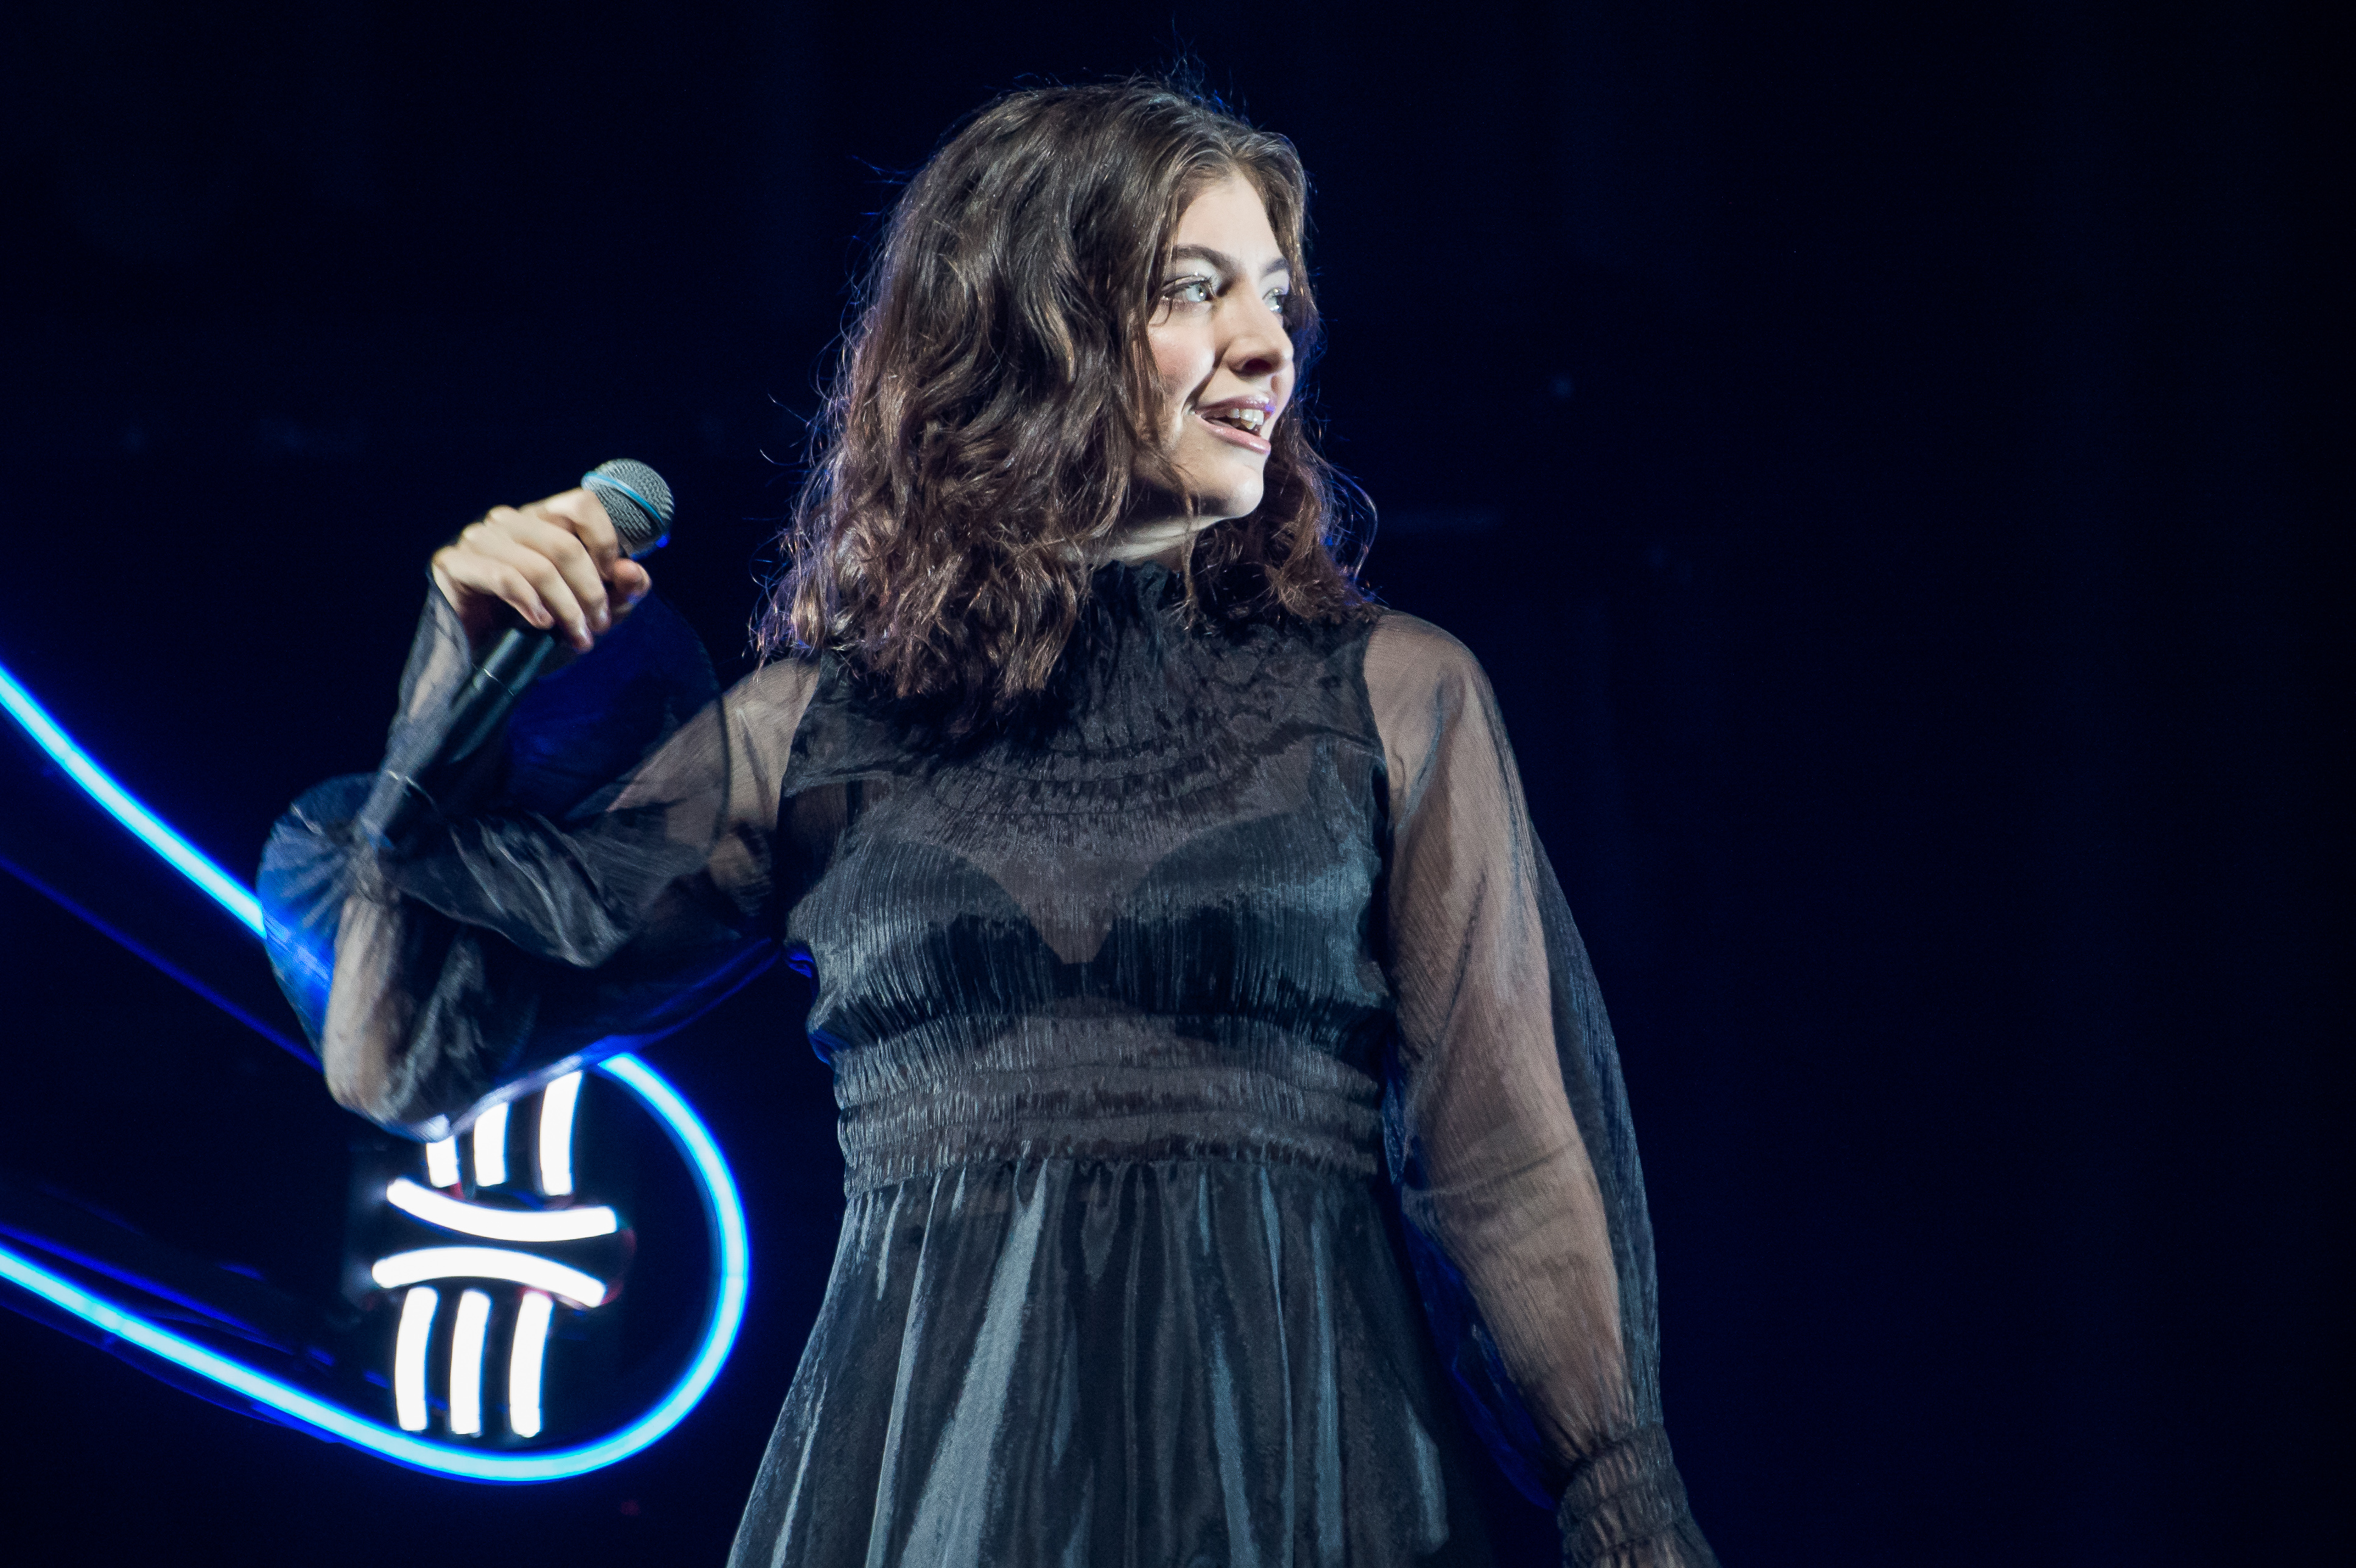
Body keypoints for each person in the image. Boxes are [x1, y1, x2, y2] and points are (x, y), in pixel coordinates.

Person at [261, 80, 1720, 1568]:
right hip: (926, 1493)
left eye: (1276, 296)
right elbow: (401, 1053)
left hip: (1311, 1475)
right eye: (1194, 290)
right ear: (1034, 324)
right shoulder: (813, 730)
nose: (1270, 344)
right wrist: (453, 683)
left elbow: (1511, 1163)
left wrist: (1629, 1516)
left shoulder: (1394, 700)